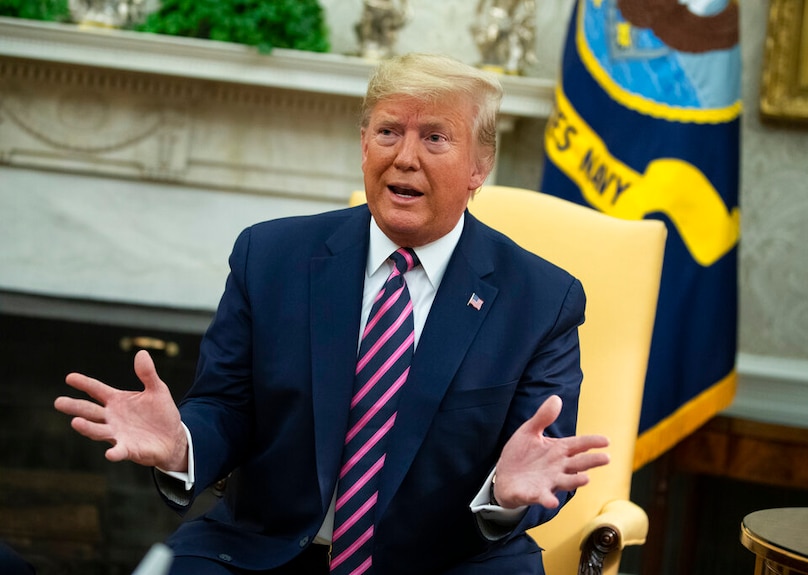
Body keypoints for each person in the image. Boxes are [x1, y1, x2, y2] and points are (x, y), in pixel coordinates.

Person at [54, 53, 610, 575]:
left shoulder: (541, 299)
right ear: (364, 144)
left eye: (435, 138)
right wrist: (183, 445)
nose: (405, 157)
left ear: (479, 166)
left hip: (447, 560)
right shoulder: (270, 257)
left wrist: (502, 494)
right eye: (388, 131)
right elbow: (225, 405)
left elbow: (542, 459)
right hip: (266, 549)